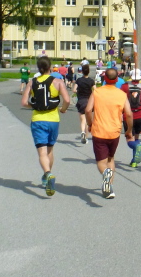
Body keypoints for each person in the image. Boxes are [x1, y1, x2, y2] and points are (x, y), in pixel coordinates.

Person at [21, 56, 71, 196]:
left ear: (38, 68)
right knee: (50, 150)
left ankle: (48, 173)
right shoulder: (58, 81)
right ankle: (47, 175)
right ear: (50, 67)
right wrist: (63, 109)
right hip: (53, 120)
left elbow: (24, 102)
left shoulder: (32, 82)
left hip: (38, 119)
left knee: (42, 152)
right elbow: (67, 100)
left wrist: (35, 105)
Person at [85, 68, 134, 199]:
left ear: (104, 78)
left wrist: (90, 124)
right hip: (114, 132)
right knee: (111, 158)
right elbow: (129, 114)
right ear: (117, 79)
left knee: (101, 162)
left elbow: (88, 110)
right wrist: (129, 130)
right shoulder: (121, 94)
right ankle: (109, 188)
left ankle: (106, 174)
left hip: (99, 131)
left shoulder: (97, 92)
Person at [121, 69, 141, 167]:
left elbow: (118, 99)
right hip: (140, 115)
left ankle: (137, 147)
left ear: (130, 76)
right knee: (136, 137)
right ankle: (134, 161)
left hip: (128, 115)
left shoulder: (124, 87)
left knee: (129, 138)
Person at [74, 64, 96, 144]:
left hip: (81, 101)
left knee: (83, 120)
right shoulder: (91, 81)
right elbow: (95, 90)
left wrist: (79, 91)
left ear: (82, 71)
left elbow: (74, 90)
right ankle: (88, 135)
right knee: (89, 119)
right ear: (89, 72)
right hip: (89, 101)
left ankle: (83, 132)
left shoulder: (79, 80)